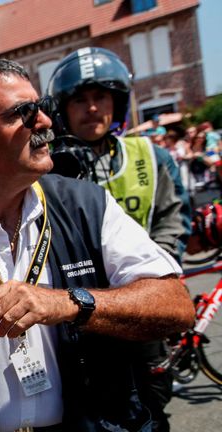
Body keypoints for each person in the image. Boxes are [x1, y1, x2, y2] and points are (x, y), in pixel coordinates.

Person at [0, 59, 195, 431]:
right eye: (23, 112)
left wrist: (67, 303)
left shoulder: (87, 204)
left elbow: (176, 304)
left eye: (42, 108)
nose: (45, 122)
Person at [47, 47, 191, 432]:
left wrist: (150, 282)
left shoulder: (151, 156)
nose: (92, 108)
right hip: (77, 313)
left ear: (118, 102)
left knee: (151, 403)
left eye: (101, 97)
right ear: (64, 107)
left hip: (140, 305)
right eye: (80, 99)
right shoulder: (48, 165)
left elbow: (172, 221)